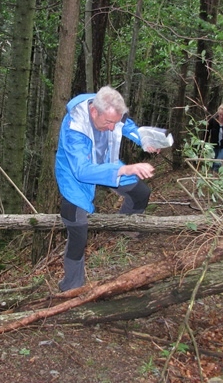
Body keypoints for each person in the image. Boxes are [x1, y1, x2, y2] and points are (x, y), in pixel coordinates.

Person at [54, 86, 158, 292]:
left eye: (114, 122)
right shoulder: (74, 128)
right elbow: (82, 171)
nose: (112, 127)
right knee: (78, 231)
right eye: (108, 122)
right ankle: (71, 287)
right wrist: (125, 169)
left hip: (106, 163)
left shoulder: (109, 108)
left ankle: (125, 228)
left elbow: (126, 126)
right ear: (94, 112)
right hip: (75, 176)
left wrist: (143, 139)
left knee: (141, 194)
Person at [206, 105, 223, 171]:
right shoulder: (212, 121)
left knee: (217, 162)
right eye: (220, 114)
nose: (221, 116)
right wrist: (205, 143)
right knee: (212, 161)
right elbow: (206, 132)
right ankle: (212, 175)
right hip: (214, 144)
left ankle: (216, 174)